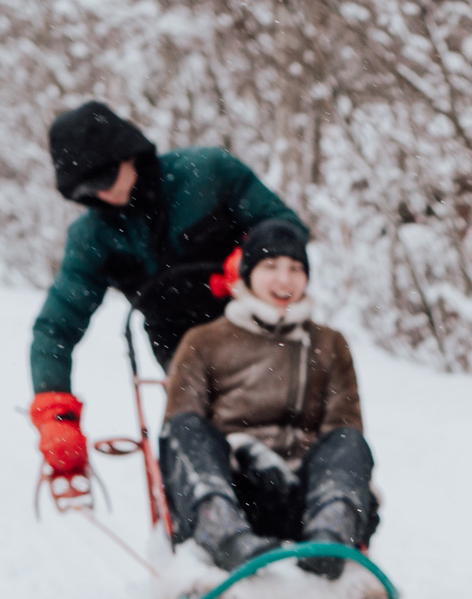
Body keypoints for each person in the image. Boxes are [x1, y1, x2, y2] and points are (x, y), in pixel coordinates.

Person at [26, 102, 306, 486]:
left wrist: (248, 261)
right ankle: (215, 517)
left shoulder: (208, 173)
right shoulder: (93, 238)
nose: (103, 194)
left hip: (258, 320)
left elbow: (285, 227)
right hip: (179, 342)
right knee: (209, 430)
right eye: (87, 189)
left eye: (105, 177)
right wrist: (55, 413)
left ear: (129, 153)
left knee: (285, 420)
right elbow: (57, 328)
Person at [159, 219, 377, 574]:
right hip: (237, 489)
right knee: (183, 428)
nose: (284, 280)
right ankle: (224, 535)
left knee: (349, 441)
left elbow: (343, 425)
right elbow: (181, 430)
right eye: (270, 266)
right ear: (247, 274)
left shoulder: (329, 344)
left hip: (305, 498)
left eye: (295, 268)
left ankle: (330, 540)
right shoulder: (204, 340)